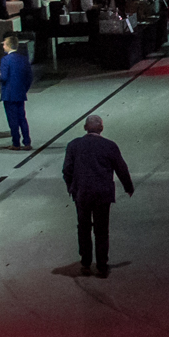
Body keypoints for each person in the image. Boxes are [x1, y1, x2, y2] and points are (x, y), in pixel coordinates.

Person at [62, 113, 134, 278]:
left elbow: (67, 170)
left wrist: (71, 187)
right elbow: (121, 168)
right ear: (101, 128)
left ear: (85, 128)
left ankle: (86, 263)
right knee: (101, 230)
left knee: (84, 228)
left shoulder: (73, 145)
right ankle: (102, 266)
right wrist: (128, 187)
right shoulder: (110, 146)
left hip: (82, 193)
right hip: (102, 194)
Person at [0, 35, 34, 150]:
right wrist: (24, 89)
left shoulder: (5, 60)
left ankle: (16, 143)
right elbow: (29, 77)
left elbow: (4, 77)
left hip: (9, 94)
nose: (3, 46)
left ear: (8, 45)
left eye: (4, 44)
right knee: (22, 118)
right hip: (20, 93)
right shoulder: (23, 59)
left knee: (12, 119)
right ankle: (27, 142)